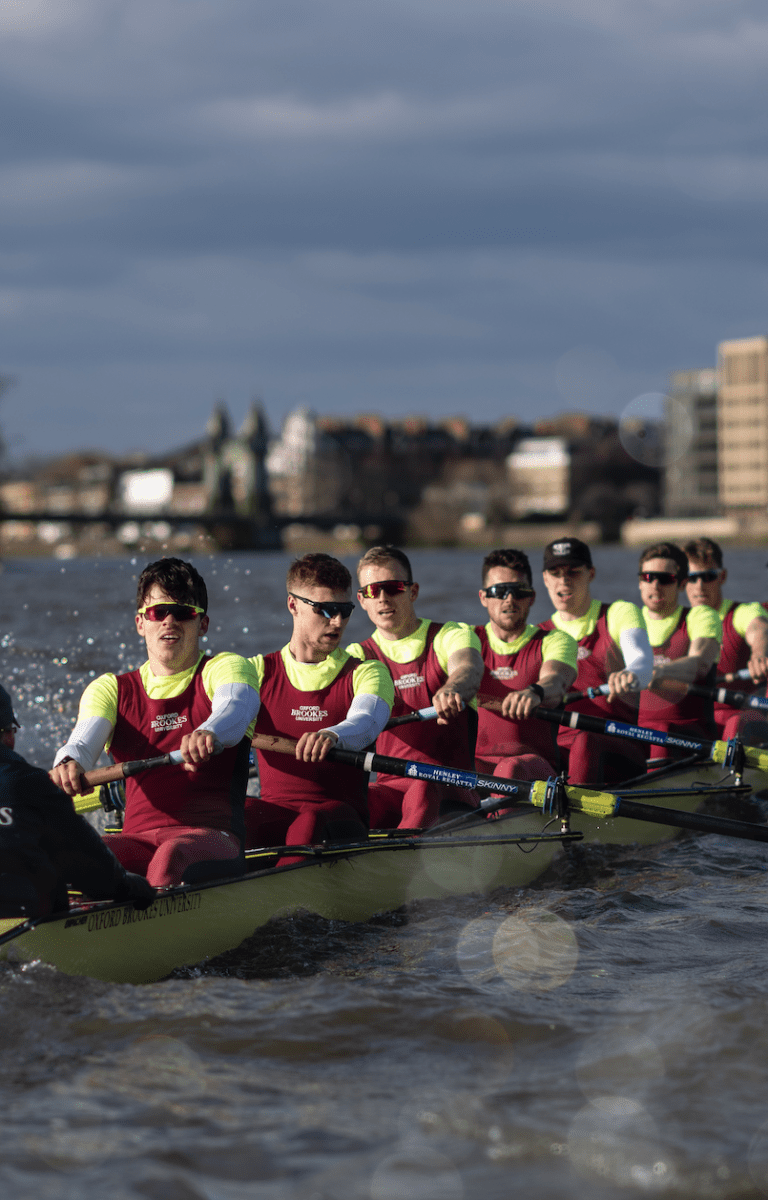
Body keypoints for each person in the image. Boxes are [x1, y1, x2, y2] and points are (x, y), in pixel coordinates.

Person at [50, 558, 259, 887]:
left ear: (202, 624)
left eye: (183, 612)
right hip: (138, 840)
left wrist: (209, 732)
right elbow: (81, 743)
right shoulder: (111, 690)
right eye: (158, 612)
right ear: (140, 623)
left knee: (169, 858)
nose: (169, 621)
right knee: (71, 856)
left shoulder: (227, 669)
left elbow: (233, 710)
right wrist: (69, 763)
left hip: (213, 838)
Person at [245, 553, 394, 862]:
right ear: (293, 605)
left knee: (310, 823)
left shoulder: (367, 672)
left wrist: (333, 735)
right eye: (325, 609)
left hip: (340, 820)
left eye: (344, 610)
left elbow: (366, 721)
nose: (337, 621)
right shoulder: (256, 672)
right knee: (238, 814)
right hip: (278, 812)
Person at [347, 545, 483, 829]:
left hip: (452, 792)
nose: (383, 598)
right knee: (344, 805)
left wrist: (453, 689)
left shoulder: (450, 635)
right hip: (391, 791)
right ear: (362, 599)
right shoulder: (357, 656)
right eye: (372, 590)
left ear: (413, 591)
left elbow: (468, 668)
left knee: (422, 786)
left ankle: (399, 852)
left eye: (393, 587)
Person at [0, 685, 154, 918]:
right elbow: (91, 871)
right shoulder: (30, 784)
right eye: (11, 730)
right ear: (8, 734)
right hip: (23, 919)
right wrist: (131, 887)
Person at [538, 537, 654, 784]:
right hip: (560, 752)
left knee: (585, 740)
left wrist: (631, 674)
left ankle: (574, 805)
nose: (563, 580)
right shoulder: (538, 635)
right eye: (555, 573)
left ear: (590, 574)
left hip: (619, 747)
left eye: (573, 571)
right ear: (545, 578)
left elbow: (643, 664)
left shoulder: (619, 613)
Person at [474, 548, 577, 790]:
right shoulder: (466, 640)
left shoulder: (555, 640)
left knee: (509, 769)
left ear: (531, 597)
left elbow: (555, 681)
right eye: (499, 591)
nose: (510, 599)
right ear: (483, 597)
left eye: (518, 591)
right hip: (480, 764)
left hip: (535, 769)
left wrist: (535, 692)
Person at [637, 541, 722, 756]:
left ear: (682, 584)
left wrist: (658, 672)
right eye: (648, 577)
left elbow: (699, 664)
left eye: (665, 579)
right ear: (640, 582)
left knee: (660, 731)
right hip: (635, 734)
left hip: (691, 736)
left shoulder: (701, 616)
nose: (655, 585)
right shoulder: (628, 622)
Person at [683, 537, 768, 742]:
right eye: (692, 578)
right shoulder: (676, 623)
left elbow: (759, 628)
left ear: (722, 576)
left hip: (743, 715)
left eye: (708, 577)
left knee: (734, 724)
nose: (699, 586)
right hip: (697, 721)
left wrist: (759, 655)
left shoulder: (742, 612)